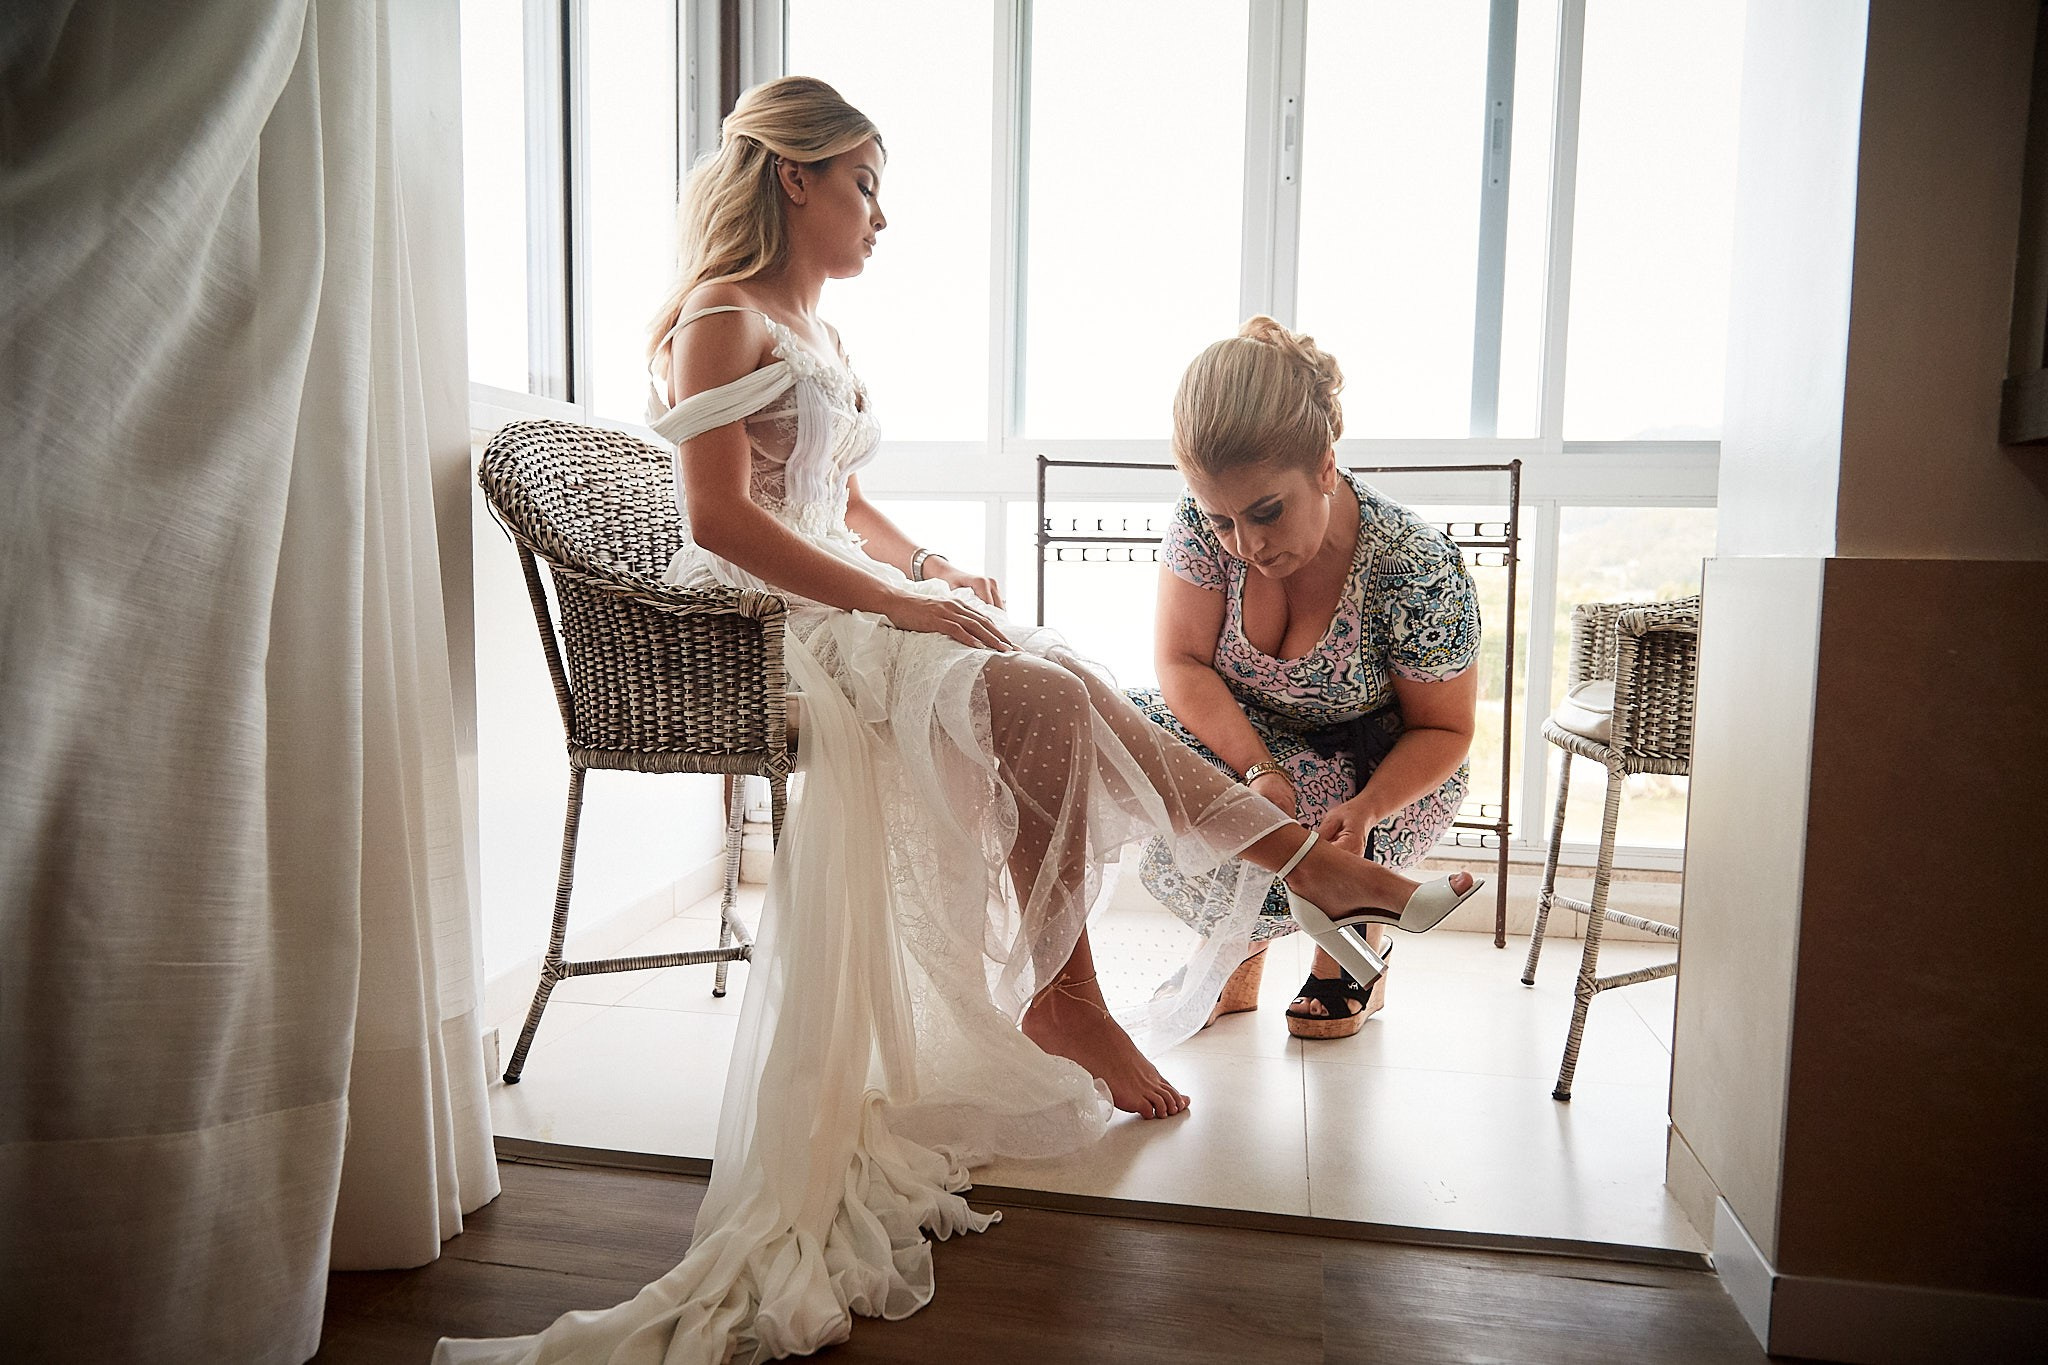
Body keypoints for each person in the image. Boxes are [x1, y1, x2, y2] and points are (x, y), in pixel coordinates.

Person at [436, 78, 1475, 1365]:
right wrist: (891, 599)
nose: (879, 217)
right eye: (863, 185)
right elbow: (721, 519)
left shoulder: (806, 324)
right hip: (780, 624)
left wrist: (926, 566)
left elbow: (835, 495)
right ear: (796, 178)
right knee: (1044, 690)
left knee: (1060, 673)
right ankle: (1225, 915)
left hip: (849, 594)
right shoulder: (721, 316)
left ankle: (1254, 899)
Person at [1129, 317, 1481, 1039]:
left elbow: (1445, 728)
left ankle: (1350, 931)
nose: (1248, 545)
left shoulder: (1413, 563)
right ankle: (1239, 942)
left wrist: (1371, 806)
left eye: (1267, 512)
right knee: (1119, 725)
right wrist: (1257, 768)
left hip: (1375, 772)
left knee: (1312, 806)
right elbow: (1181, 663)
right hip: (1252, 749)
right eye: (1223, 521)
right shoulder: (1200, 526)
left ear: (1324, 466)